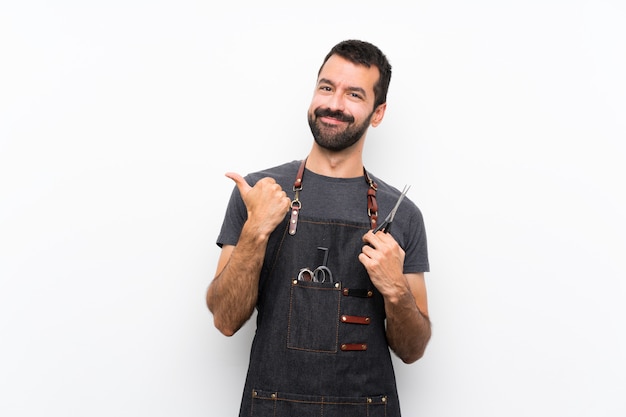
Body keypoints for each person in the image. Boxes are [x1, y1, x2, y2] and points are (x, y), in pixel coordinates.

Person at [206, 39, 431, 417]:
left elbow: (413, 350)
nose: (334, 104)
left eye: (354, 94)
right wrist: (255, 232)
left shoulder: (402, 214)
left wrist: (396, 292)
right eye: (326, 87)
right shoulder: (258, 194)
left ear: (378, 113)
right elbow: (225, 321)